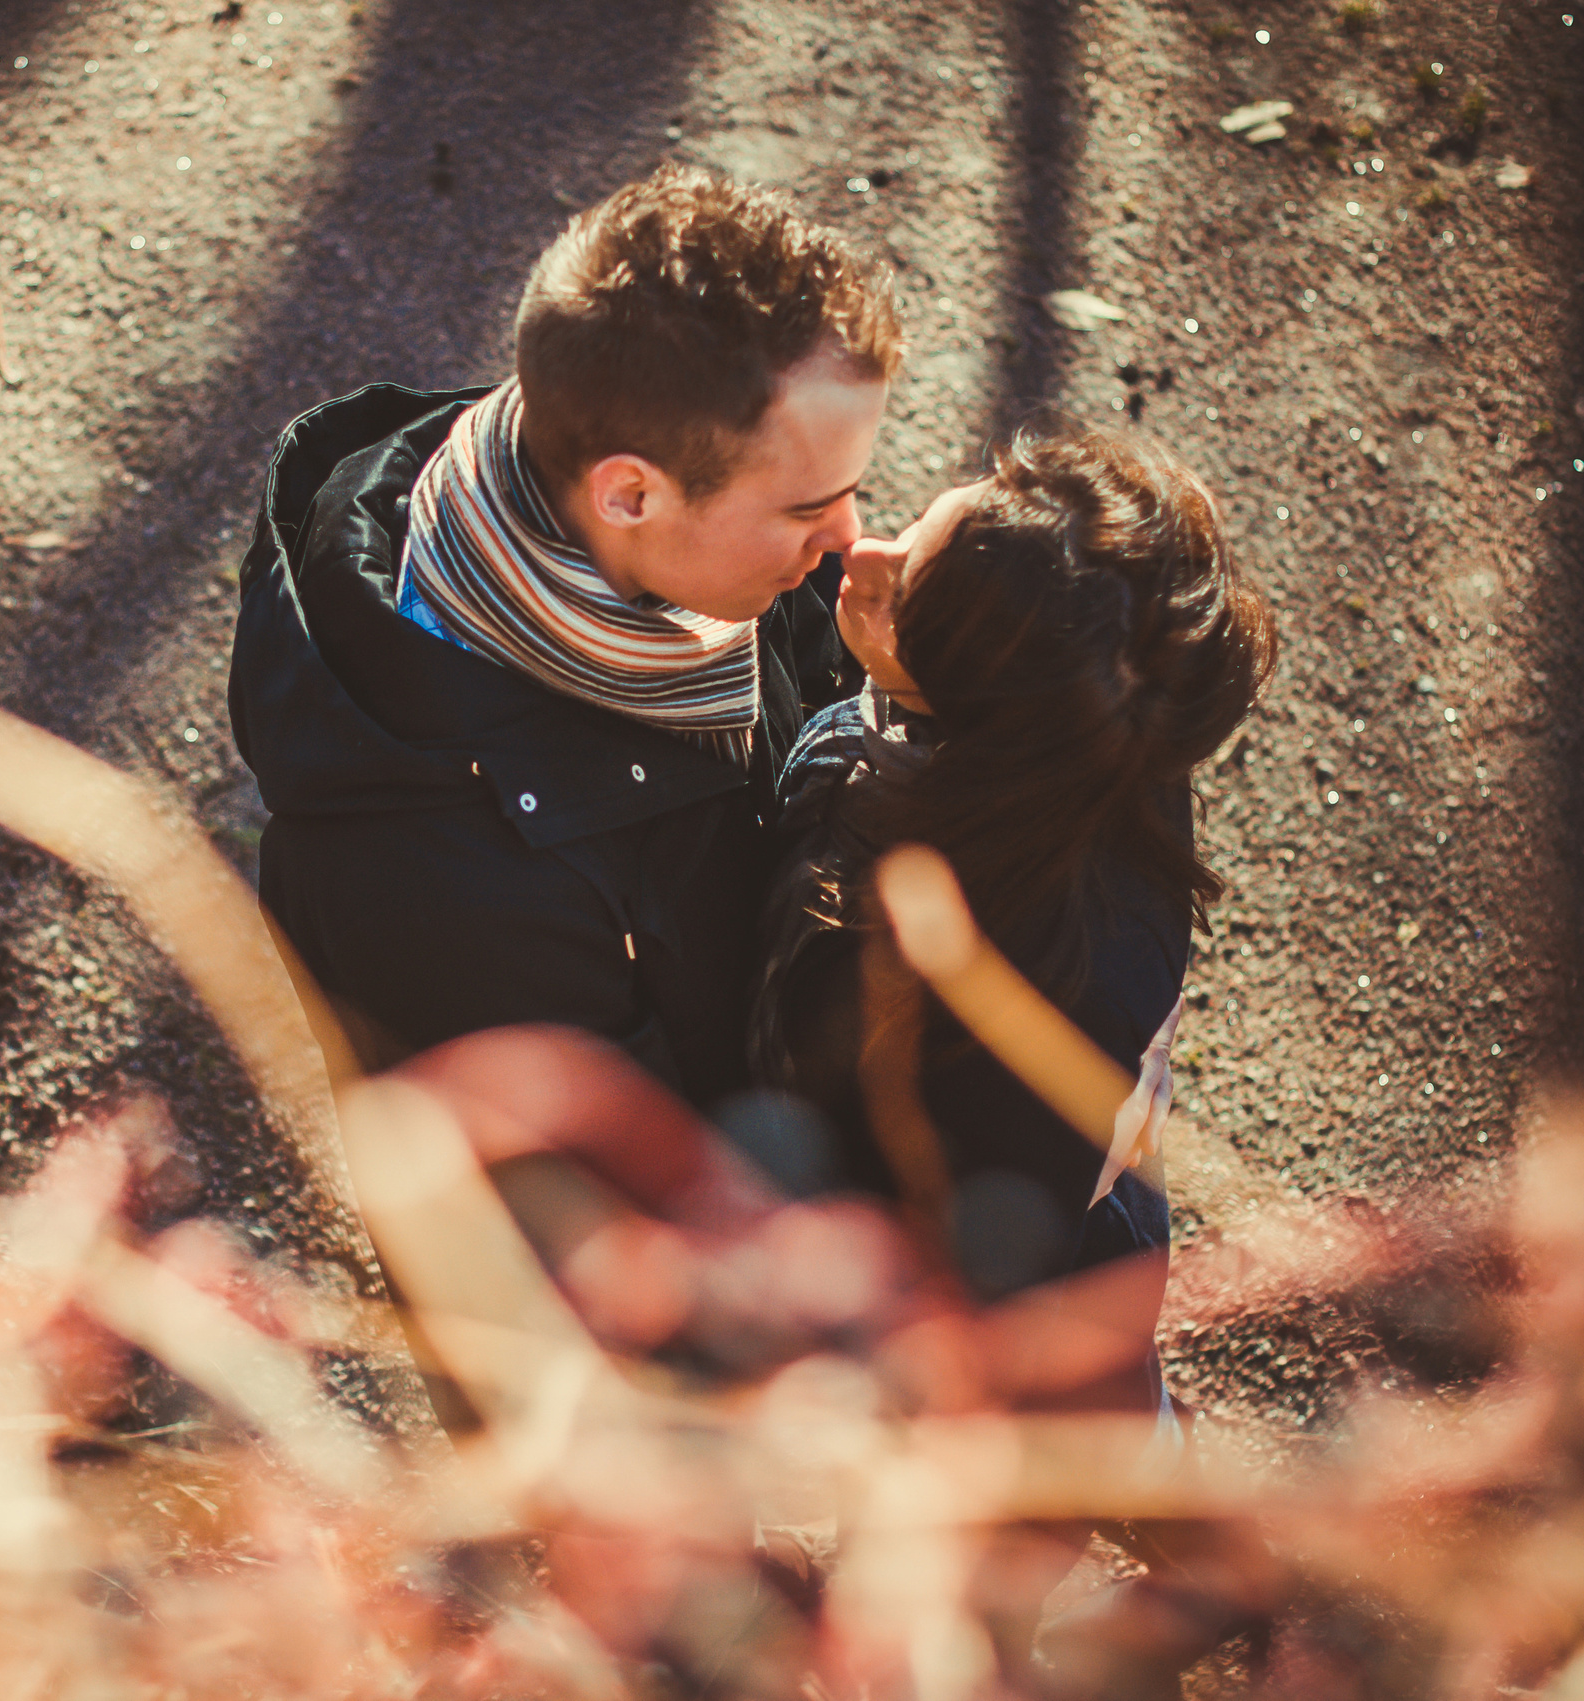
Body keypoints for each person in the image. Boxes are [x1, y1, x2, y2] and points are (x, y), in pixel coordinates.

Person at [228, 165, 904, 1106]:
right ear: (628, 493)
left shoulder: (665, 510)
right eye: (811, 506)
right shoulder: (435, 890)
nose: (848, 538)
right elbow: (601, 1210)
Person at [753, 422, 1275, 1300]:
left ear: (984, 733)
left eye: (901, 597)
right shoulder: (1102, 733)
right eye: (923, 522)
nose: (863, 550)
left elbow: (954, 1288)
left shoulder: (992, 1023)